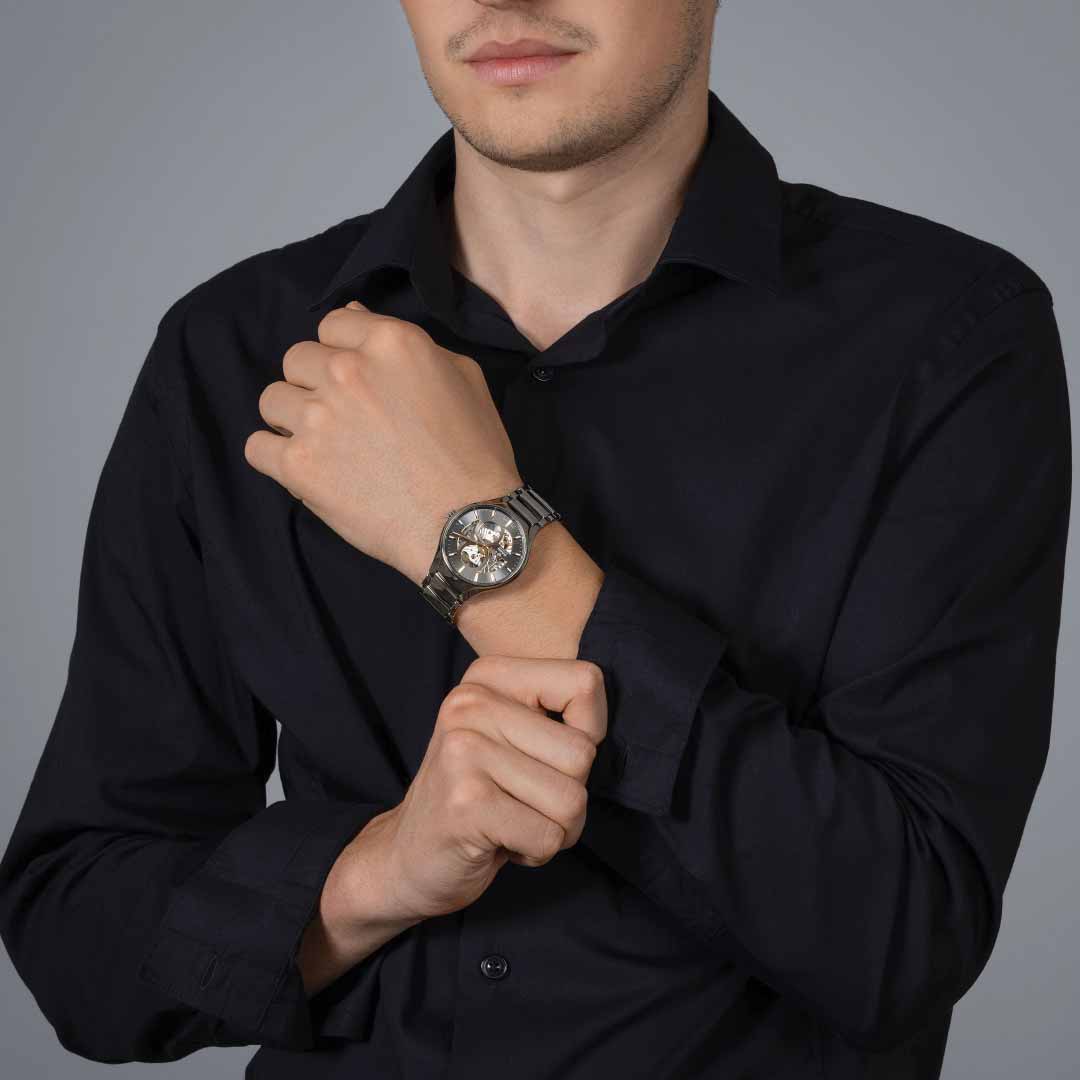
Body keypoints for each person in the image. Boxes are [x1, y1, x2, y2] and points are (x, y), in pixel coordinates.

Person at [0, 2, 1070, 1077]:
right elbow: (78, 941)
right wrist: (378, 872)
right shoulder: (234, 353)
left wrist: (474, 538)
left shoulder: (945, 338)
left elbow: (903, 937)